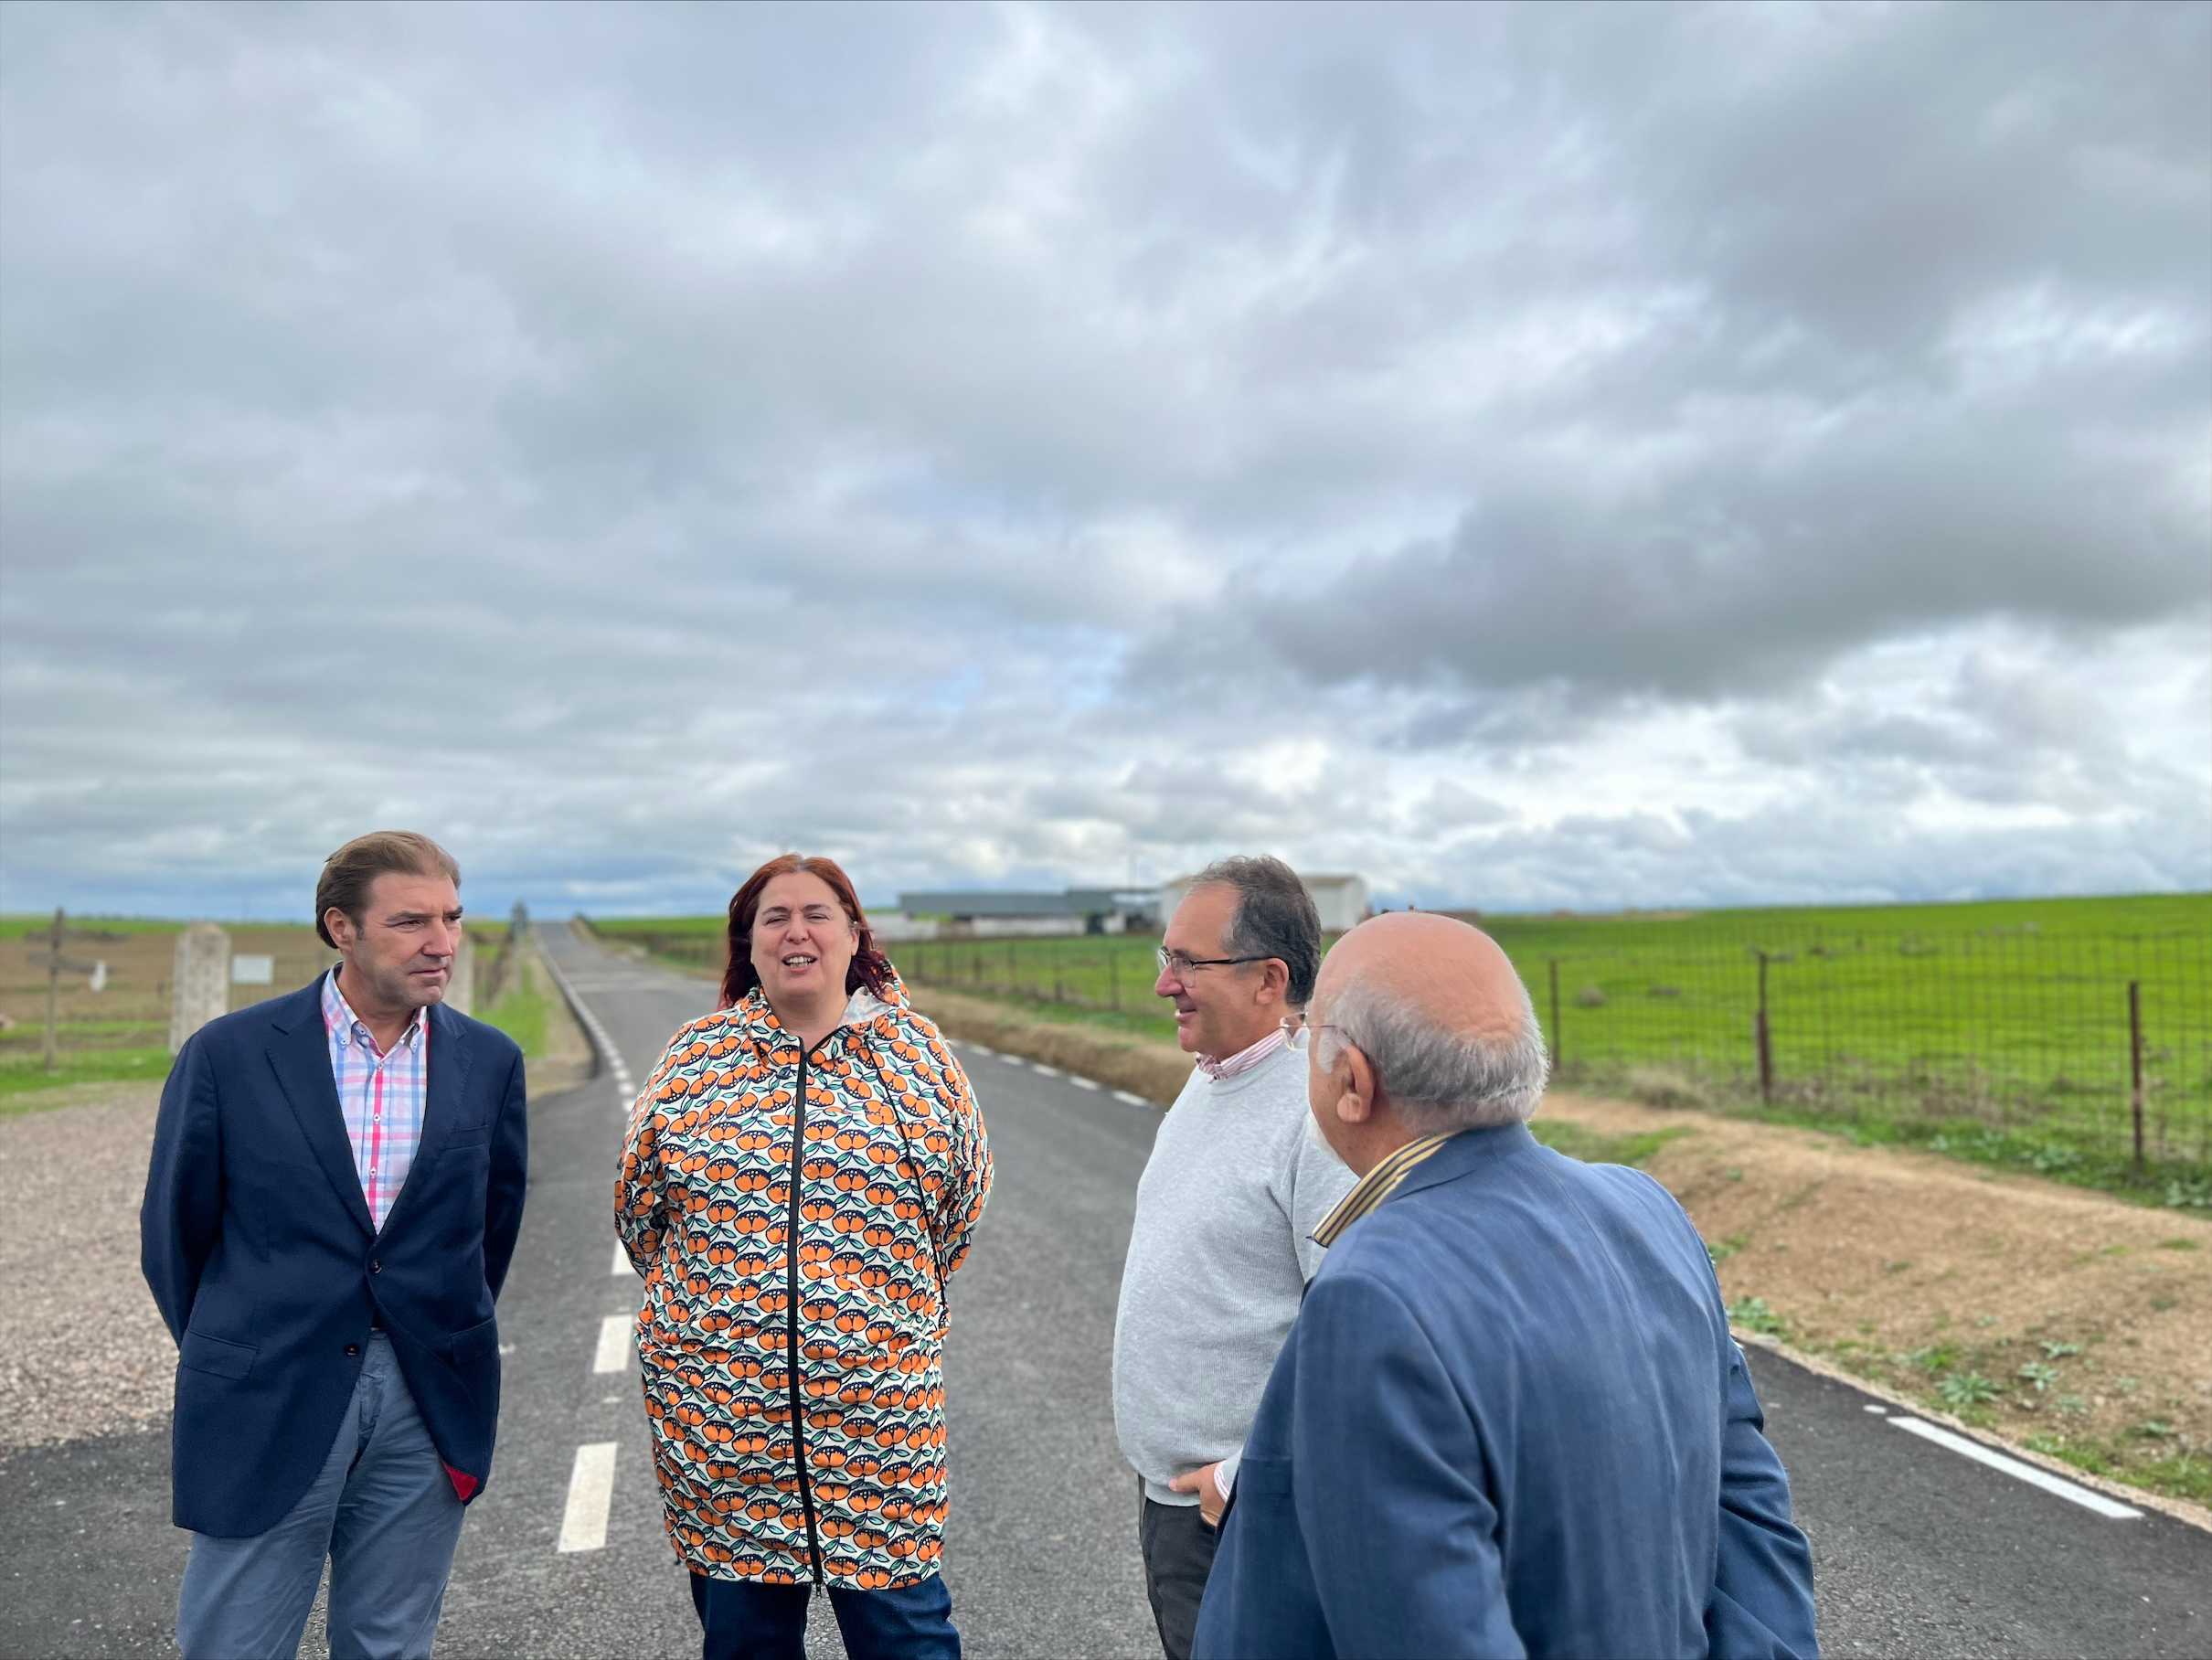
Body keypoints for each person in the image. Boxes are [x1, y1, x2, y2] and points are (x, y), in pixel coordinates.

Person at [1193, 911, 1819, 1660]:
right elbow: (1750, 1512)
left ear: (1353, 1082)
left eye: (1310, 1038)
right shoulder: (1645, 1209)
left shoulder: (1374, 1292)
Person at [141, 831, 528, 1660]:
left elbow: (489, 1233)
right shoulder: (230, 1056)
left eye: (453, 919)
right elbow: (175, 1238)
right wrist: (239, 1346)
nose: (442, 944)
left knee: (390, 1646)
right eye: (411, 922)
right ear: (340, 928)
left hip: (426, 1397)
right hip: (269, 1386)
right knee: (234, 1645)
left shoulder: (489, 1061)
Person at [616, 854, 992, 1660]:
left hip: (877, 1432)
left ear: (854, 934)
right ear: (746, 945)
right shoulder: (694, 1063)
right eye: (773, 918)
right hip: (723, 1432)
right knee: (745, 1643)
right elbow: (640, 1215)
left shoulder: (918, 1063)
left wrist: (865, 1324)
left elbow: (957, 1214)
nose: (796, 932)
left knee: (909, 1643)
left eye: (817, 914)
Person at [1111, 856, 1357, 1660]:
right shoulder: (1210, 1079)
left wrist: (1246, 1476)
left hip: (1250, 1518)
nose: (1164, 983)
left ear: (1268, 980)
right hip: (1181, 1507)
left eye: (1188, 962)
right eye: (1165, 957)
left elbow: (1360, 1333)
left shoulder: (1320, 1116)